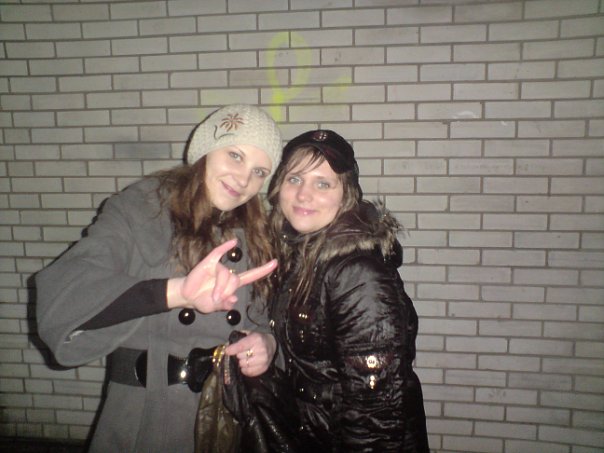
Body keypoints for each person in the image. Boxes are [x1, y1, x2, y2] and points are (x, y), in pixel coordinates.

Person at [35, 104, 283, 453]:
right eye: (235, 155)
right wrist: (175, 292)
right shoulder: (141, 209)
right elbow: (66, 292)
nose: (244, 180)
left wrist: (267, 344)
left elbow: (266, 320)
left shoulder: (257, 229)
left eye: (259, 171)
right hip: (146, 418)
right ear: (206, 150)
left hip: (226, 416)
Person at [267, 129, 430, 452]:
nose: (303, 195)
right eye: (294, 179)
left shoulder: (357, 274)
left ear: (346, 196)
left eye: (322, 184)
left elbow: (376, 410)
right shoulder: (300, 255)